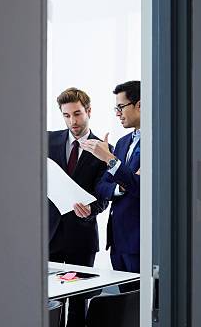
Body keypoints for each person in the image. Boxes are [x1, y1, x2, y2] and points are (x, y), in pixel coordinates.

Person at [48, 87, 109, 327]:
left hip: (81, 235)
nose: (72, 121)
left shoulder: (104, 150)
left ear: (89, 111)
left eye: (77, 114)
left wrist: (91, 211)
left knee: (77, 302)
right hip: (49, 233)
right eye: (66, 115)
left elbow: (103, 197)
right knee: (47, 299)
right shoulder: (47, 140)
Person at [79, 80, 141, 273]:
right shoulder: (122, 142)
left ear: (140, 105)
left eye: (121, 107)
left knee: (144, 300)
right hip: (117, 241)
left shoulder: (158, 141)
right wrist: (121, 186)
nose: (117, 113)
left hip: (140, 240)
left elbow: (139, 187)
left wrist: (108, 158)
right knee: (125, 302)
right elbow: (102, 186)